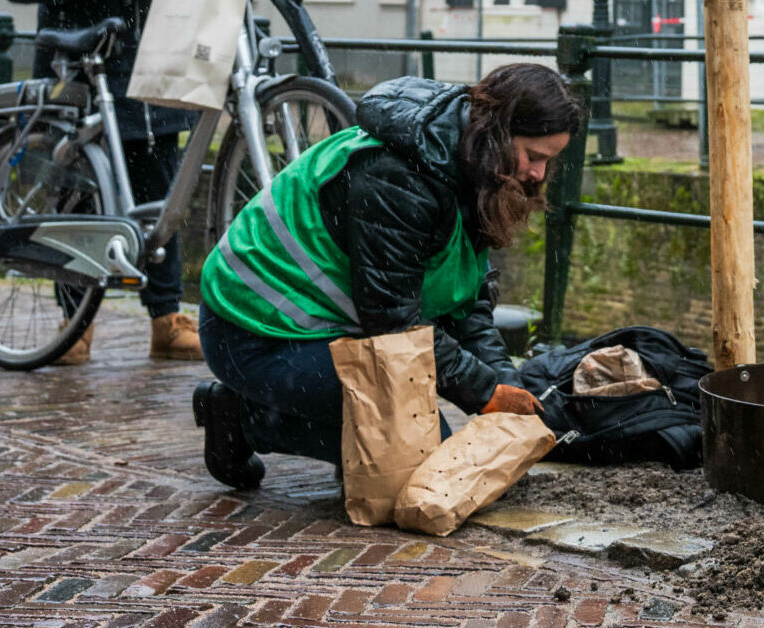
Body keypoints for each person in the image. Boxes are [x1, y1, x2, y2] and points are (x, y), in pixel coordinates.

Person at [189, 64, 580, 491]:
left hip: (324, 325)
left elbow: (466, 305)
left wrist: (506, 386)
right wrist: (485, 393)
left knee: (417, 446)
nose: (539, 175)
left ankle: (349, 436)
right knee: (421, 453)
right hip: (251, 331)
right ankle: (241, 421)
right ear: (500, 134)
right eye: (534, 156)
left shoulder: (469, 161)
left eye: (549, 161)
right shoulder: (399, 179)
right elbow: (394, 325)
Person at [0, 0, 205, 364]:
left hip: (155, 55)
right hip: (82, 59)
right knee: (81, 195)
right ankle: (75, 323)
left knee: (162, 193)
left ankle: (167, 319)